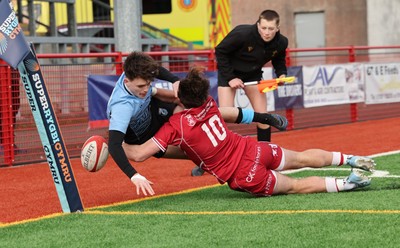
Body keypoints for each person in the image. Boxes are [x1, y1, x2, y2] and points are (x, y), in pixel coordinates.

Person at [122, 67, 375, 197]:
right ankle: (349, 159)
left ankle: (348, 183)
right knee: (301, 157)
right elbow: (230, 113)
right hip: (253, 149)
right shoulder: (210, 104)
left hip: (244, 174)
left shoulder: (175, 127)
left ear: (182, 100)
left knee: (295, 187)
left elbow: (140, 154)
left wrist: (113, 144)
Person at [106, 52, 288, 182]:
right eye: (140, 86)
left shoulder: (138, 75)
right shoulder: (121, 107)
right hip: (142, 136)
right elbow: (115, 145)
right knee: (149, 154)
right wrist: (134, 175)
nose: (144, 89)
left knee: (201, 107)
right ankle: (205, 160)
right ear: (127, 81)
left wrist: (174, 81)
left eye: (147, 84)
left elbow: (156, 71)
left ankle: (263, 117)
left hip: (155, 109)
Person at [215, 9, 288, 142]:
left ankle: (265, 151)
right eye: (264, 27)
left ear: (277, 28)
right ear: (258, 24)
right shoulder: (242, 33)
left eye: (270, 28)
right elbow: (220, 51)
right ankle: (220, 156)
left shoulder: (282, 42)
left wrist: (282, 74)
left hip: (253, 75)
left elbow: (279, 59)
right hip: (229, 73)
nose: (266, 32)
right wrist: (231, 78)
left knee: (263, 116)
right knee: (225, 116)